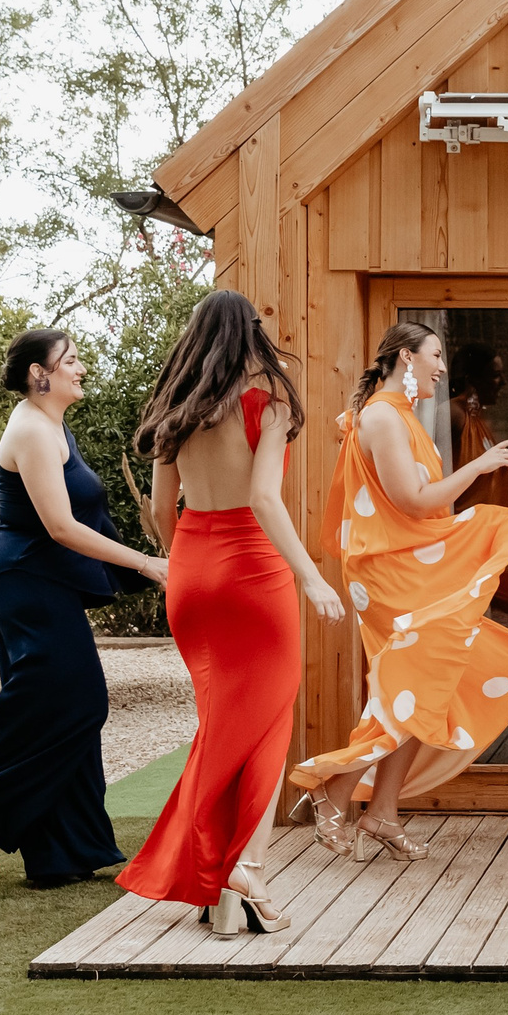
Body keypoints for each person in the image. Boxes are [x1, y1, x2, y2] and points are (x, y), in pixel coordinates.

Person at [118, 291, 345, 935]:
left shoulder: (176, 405)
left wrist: (188, 562)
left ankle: (218, 899)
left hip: (191, 570)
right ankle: (247, 866)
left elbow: (163, 513)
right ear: (251, 332)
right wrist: (310, 574)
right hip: (254, 569)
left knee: (221, 727)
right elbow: (265, 497)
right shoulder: (268, 394)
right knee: (265, 731)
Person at [286, 321, 508, 858]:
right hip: (390, 571)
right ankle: (334, 789)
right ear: (406, 357)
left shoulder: (398, 415)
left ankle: (381, 812)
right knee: (412, 679)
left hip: (403, 563)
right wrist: (479, 466)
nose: (443, 367)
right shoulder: (384, 416)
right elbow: (415, 501)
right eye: (435, 355)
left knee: (420, 684)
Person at [0, 328, 167, 888]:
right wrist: (147, 564)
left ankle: (64, 853)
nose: (80, 367)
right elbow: (59, 525)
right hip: (24, 580)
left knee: (67, 703)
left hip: (33, 579)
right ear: (38, 373)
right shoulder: (30, 428)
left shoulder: (52, 424)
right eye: (70, 360)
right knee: (69, 701)